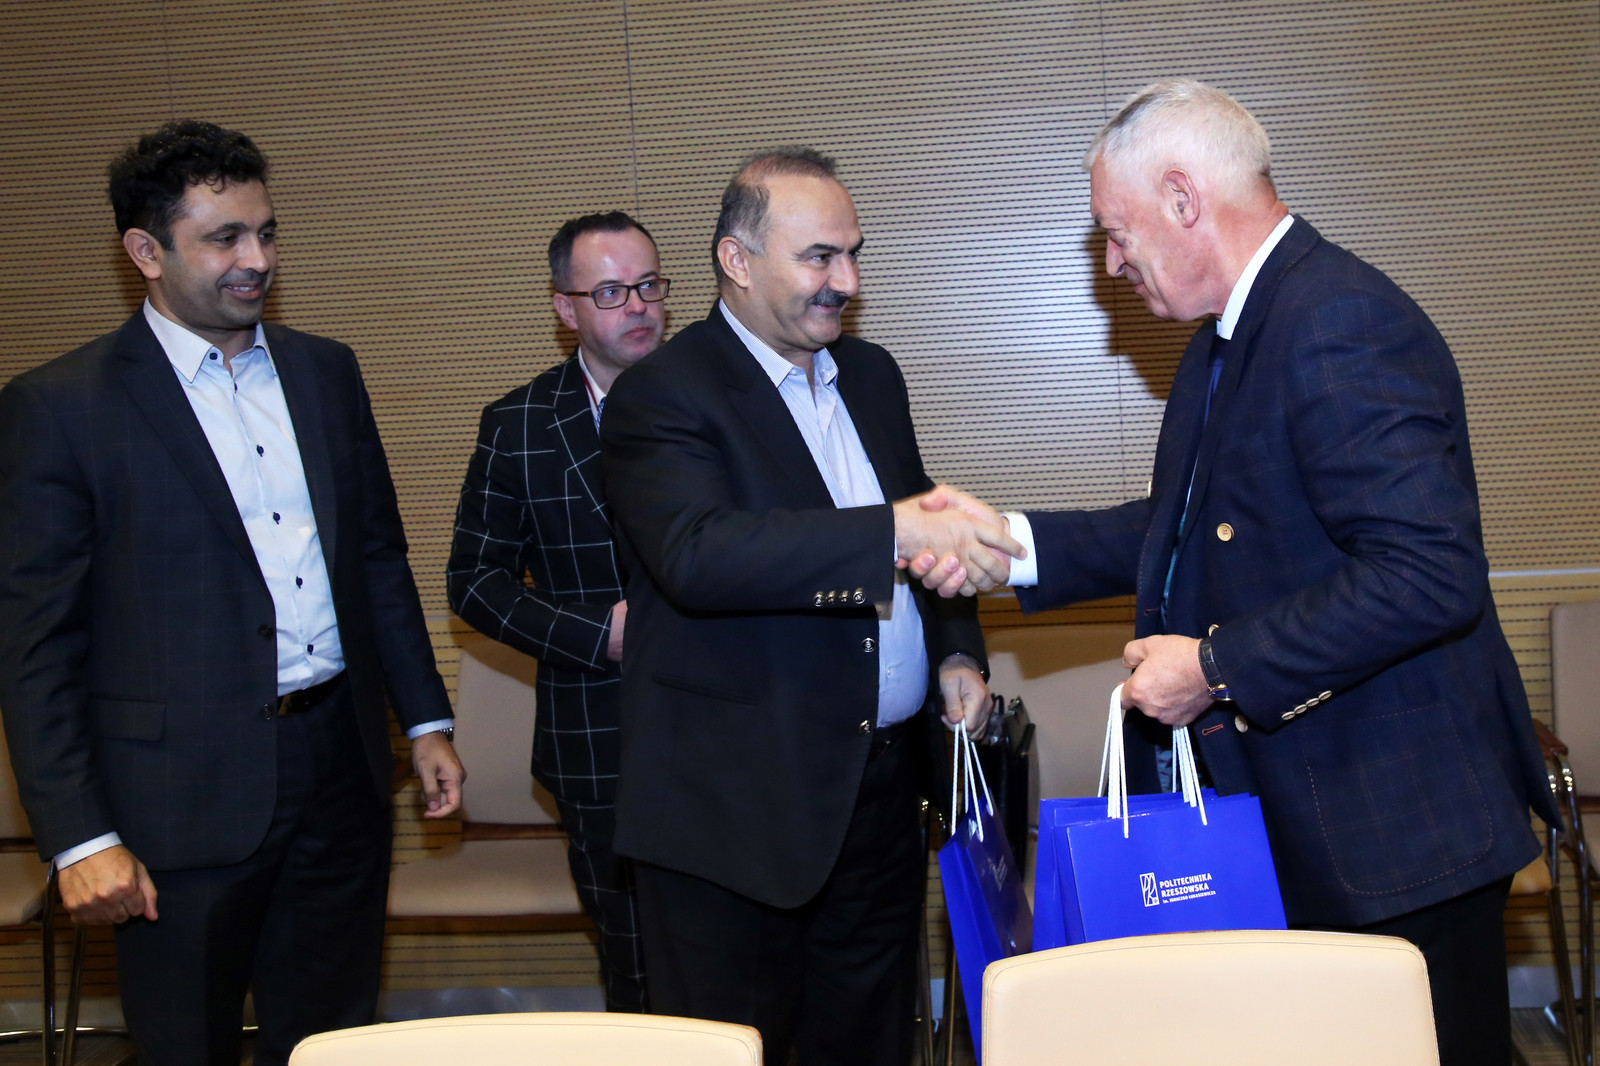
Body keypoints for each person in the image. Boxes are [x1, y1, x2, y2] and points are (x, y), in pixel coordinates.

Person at [911, 81, 1558, 1066]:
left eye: (1115, 232)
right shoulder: (1229, 338)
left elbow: (1428, 573)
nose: (1110, 261)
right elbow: (1184, 527)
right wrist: (1011, 543)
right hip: (1319, 814)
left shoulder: (1335, 321)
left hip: (1395, 830)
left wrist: (1213, 667)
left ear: (1182, 198)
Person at [0, 120, 464, 1066]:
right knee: (188, 1047)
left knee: (332, 1042)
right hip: (175, 801)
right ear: (146, 252)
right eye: (224, 239)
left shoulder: (326, 371)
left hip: (340, 771)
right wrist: (79, 837)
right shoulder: (60, 406)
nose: (257, 259)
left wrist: (424, 721)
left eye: (266, 232)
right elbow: (36, 643)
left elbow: (376, 557)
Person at [597, 148, 1019, 1066]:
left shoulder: (871, 375)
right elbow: (699, 556)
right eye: (820, 257)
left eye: (853, 254)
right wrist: (893, 531)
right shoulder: (661, 394)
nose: (847, 282)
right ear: (737, 261)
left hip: (880, 796)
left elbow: (922, 520)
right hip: (736, 815)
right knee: (738, 1050)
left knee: (870, 1042)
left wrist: (956, 650)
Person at [446, 210, 666, 1013]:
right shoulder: (519, 425)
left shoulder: (733, 399)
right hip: (601, 739)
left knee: (751, 963)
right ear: (564, 309)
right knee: (638, 968)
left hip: (742, 734)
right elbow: (474, 582)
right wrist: (599, 634)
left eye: (649, 285)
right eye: (610, 291)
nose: (637, 306)